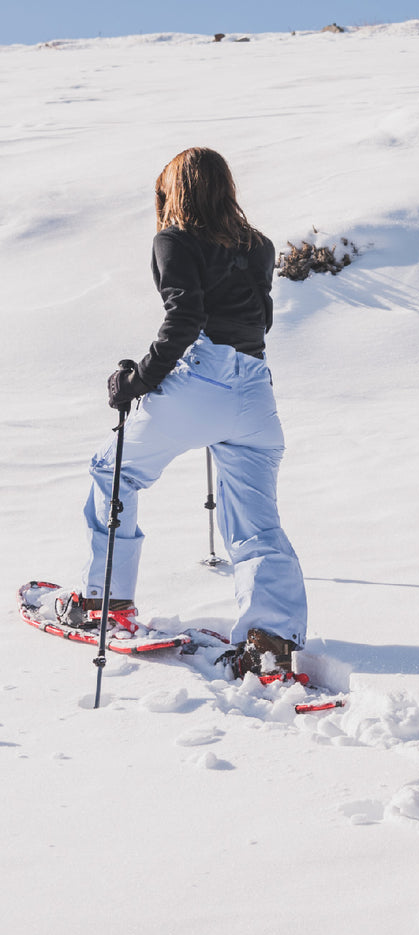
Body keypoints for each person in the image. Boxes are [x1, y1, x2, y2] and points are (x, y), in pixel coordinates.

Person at [56, 147, 307, 679]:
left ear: (177, 190)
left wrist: (137, 381)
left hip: (203, 378)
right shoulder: (259, 245)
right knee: (258, 525)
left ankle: (106, 601)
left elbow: (185, 316)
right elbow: (259, 317)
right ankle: (271, 640)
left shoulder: (174, 239)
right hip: (255, 390)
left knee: (114, 470)